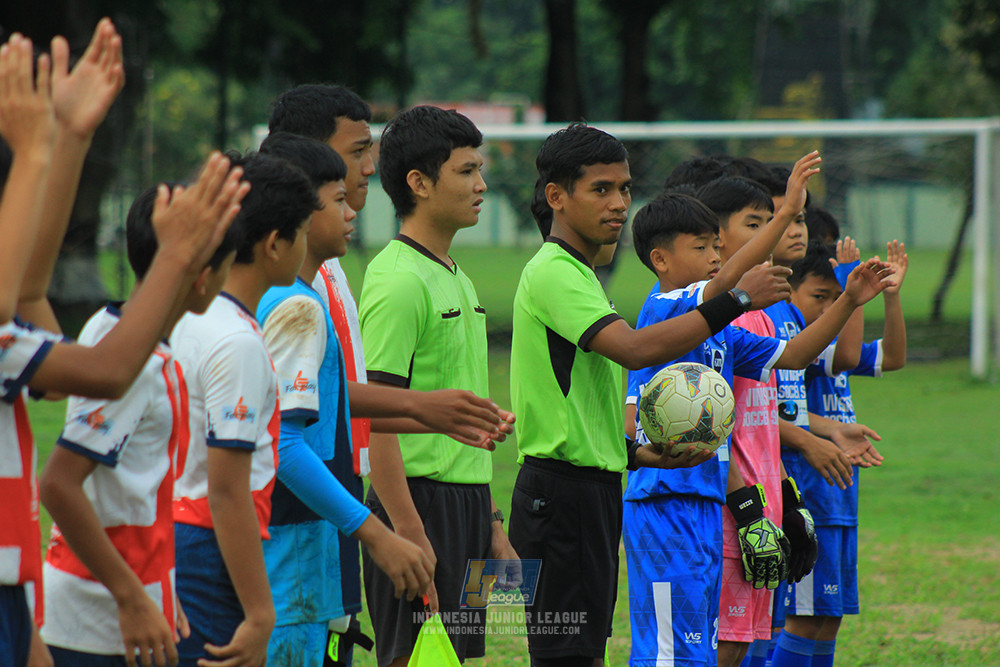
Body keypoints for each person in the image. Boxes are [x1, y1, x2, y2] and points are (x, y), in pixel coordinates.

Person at [0, 23, 239, 667]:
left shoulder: (14, 343)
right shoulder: (132, 353)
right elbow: (106, 375)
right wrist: (180, 254)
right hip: (86, 612)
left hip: (26, 592)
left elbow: (26, 292)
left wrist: (68, 140)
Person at [507, 123, 790, 667]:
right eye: (601, 190)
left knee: (585, 654)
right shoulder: (555, 271)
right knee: (563, 655)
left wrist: (640, 455)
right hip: (555, 496)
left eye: (625, 188)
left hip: (593, 488)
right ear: (556, 197)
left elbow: (586, 408)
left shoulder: (584, 275)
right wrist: (735, 300)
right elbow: (635, 351)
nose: (619, 204)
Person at [38, 178, 243, 666]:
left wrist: (159, 591)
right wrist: (132, 599)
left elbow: (130, 489)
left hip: (131, 602)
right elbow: (60, 485)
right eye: (227, 269)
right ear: (202, 277)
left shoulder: (122, 333)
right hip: (95, 622)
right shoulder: (133, 363)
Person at [357, 105, 516, 667]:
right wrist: (407, 530)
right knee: (413, 658)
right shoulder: (399, 282)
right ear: (419, 183)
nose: (482, 184)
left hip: (467, 508)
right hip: (416, 505)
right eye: (467, 171)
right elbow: (374, 416)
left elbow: (464, 424)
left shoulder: (455, 274)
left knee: (454, 660)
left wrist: (491, 523)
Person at [170, 153, 319, 667]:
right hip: (207, 546)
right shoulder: (238, 343)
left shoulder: (195, 316)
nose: (305, 245)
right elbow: (227, 487)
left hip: (182, 536)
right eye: (301, 231)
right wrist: (261, 613)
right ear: (275, 243)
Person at [695, 175, 820, 667]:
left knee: (747, 641)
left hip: (763, 506)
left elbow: (763, 427)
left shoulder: (765, 318)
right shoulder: (714, 316)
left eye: (773, 222)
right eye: (756, 224)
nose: (771, 234)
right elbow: (714, 432)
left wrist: (786, 498)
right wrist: (747, 511)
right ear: (716, 238)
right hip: (734, 511)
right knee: (725, 642)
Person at [770, 239, 907, 667]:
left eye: (835, 295)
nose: (828, 304)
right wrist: (852, 294)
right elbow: (847, 353)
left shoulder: (818, 335)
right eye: (820, 296)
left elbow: (894, 357)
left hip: (840, 492)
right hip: (811, 487)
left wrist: (891, 296)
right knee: (805, 618)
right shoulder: (795, 336)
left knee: (829, 618)